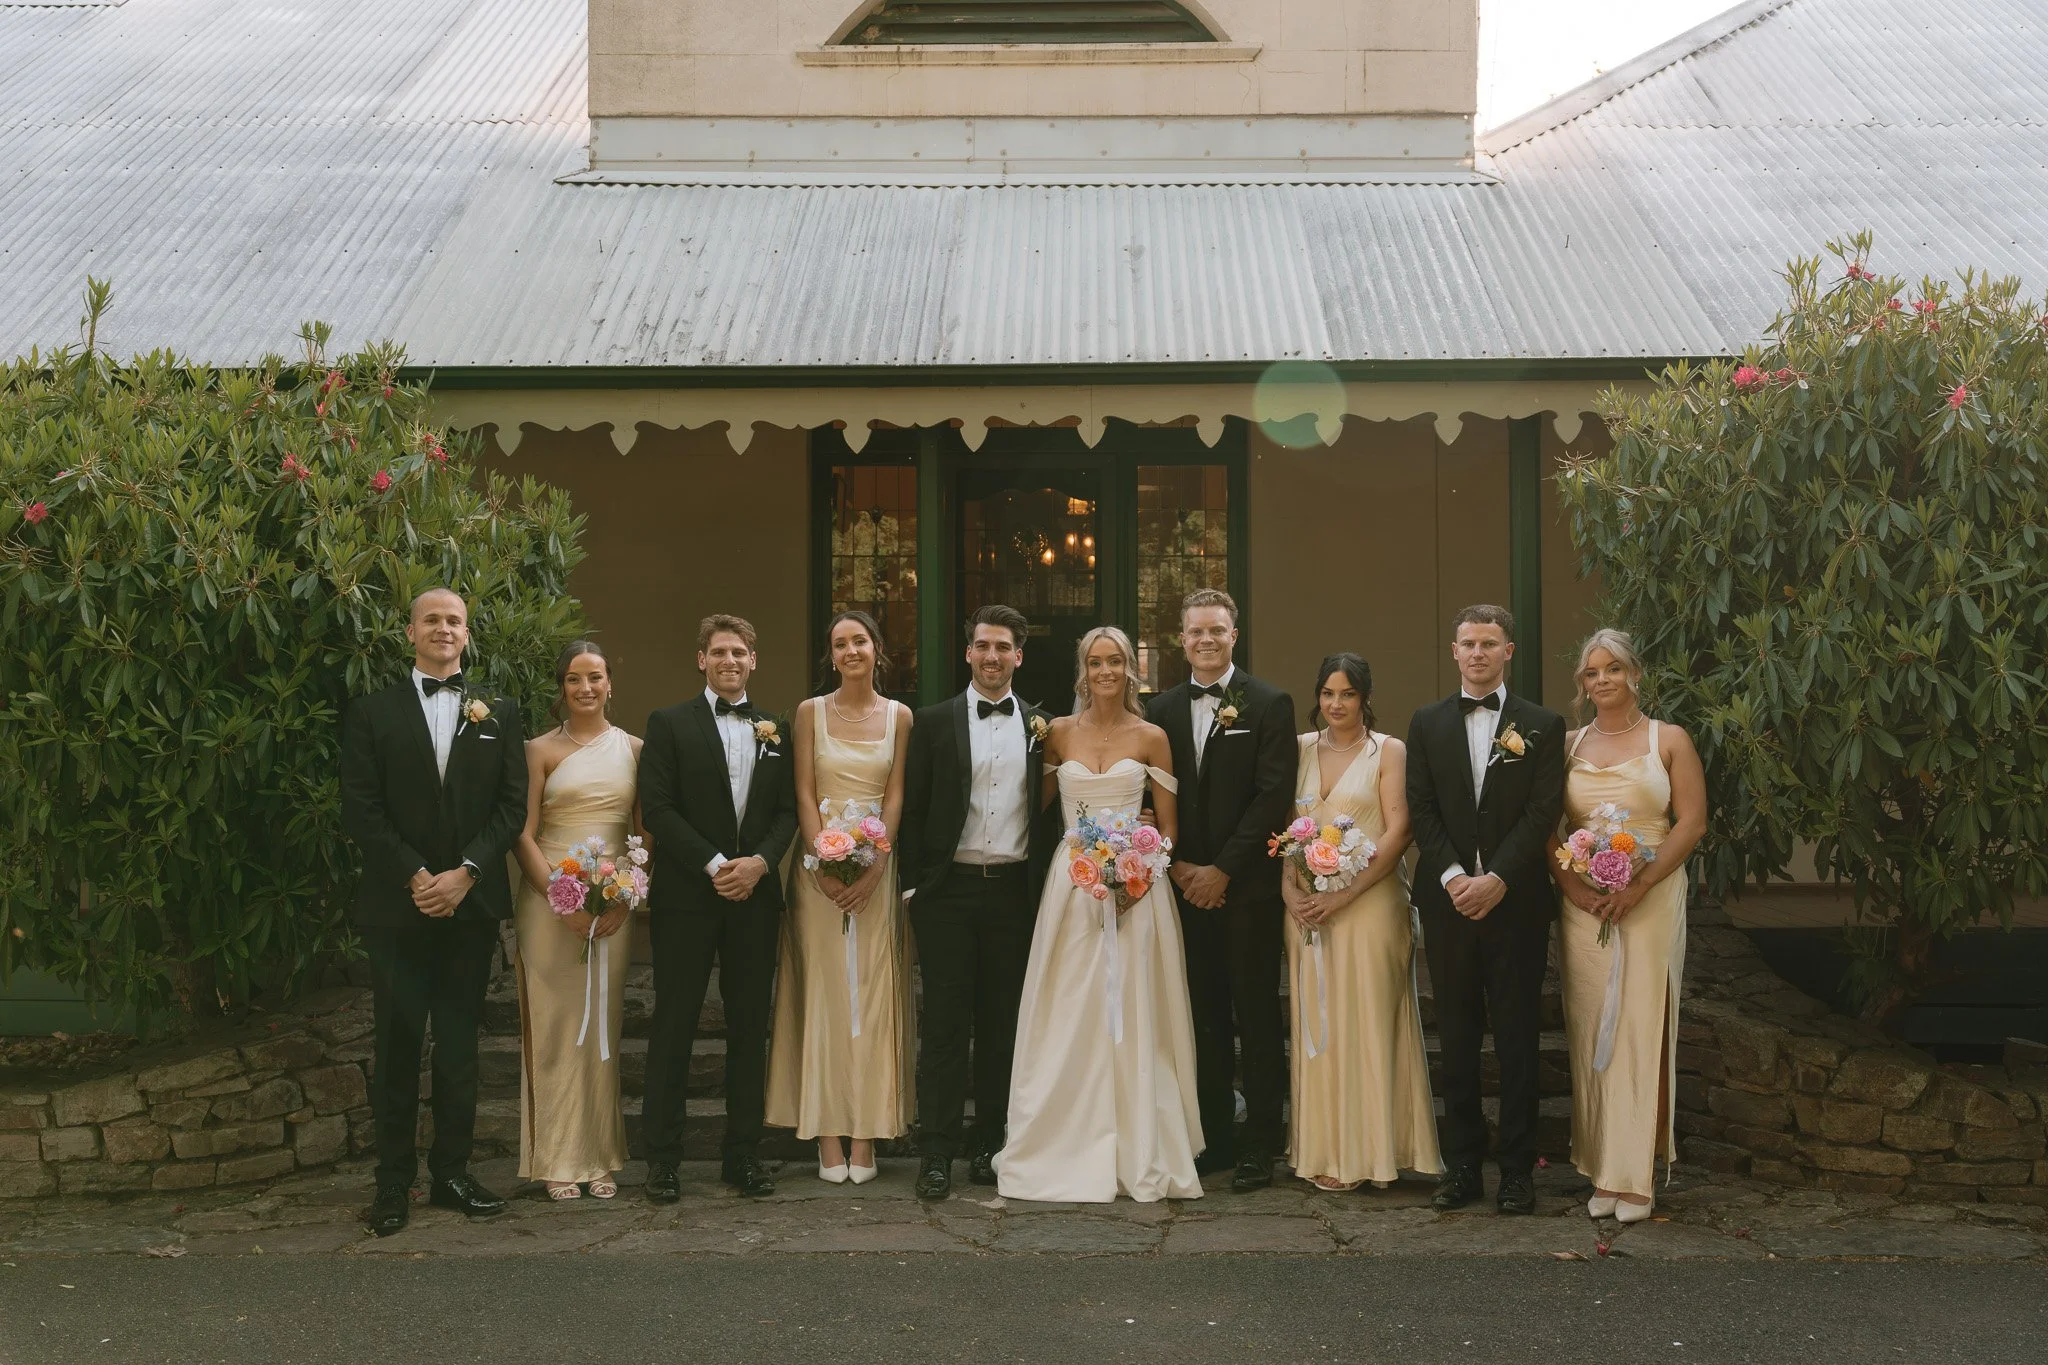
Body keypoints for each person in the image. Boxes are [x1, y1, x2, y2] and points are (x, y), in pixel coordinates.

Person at [339, 587, 528, 1237]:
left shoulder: (500, 710)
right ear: (410, 632)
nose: (443, 628)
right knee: (396, 1046)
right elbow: (361, 807)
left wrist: (466, 874)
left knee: (457, 1049)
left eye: (454, 620)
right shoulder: (372, 711)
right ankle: (392, 1182)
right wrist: (419, 875)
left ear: (467, 635)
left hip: (468, 907)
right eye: (432, 619)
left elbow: (511, 808)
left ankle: (452, 1172)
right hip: (398, 905)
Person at [996, 626, 1204, 1202]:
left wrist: (1138, 874)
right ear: (1081, 671)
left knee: (1135, 1010)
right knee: (1070, 1007)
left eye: (1115, 661)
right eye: (1095, 662)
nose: (1106, 671)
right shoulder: (1056, 734)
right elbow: (1029, 807)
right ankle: (1065, 1137)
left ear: (1130, 670)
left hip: (1139, 887)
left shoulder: (1153, 737)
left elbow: (1167, 828)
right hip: (1072, 886)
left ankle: (1138, 1142)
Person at [1406, 604, 1566, 1216]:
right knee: (1458, 1035)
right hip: (1448, 905)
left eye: (1489, 643)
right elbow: (1420, 808)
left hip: (1516, 902)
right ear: (1453, 652)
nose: (1477, 652)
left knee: (1519, 1036)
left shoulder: (1542, 725)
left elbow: (1542, 811)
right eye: (1467, 643)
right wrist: (1453, 877)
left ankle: (1518, 1171)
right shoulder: (1426, 723)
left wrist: (1498, 877)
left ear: (1509, 651)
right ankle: (1463, 1164)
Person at [638, 614, 798, 1202]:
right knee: (674, 1024)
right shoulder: (669, 723)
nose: (730, 661)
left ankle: (743, 1155)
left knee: (750, 1027)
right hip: (687, 897)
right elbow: (657, 808)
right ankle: (663, 1160)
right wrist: (714, 865)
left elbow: (788, 812)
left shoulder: (776, 730)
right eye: (719, 652)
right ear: (701, 659)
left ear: (754, 660)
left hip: (755, 899)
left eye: (740, 652)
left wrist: (758, 863)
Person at [899, 605, 1056, 1200]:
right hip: (947, 893)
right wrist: (914, 887)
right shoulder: (934, 722)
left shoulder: (1044, 727)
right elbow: (913, 807)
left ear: (1020, 655)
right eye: (983, 646)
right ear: (968, 653)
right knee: (943, 1026)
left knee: (1001, 1025)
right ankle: (935, 1151)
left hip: (1013, 892)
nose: (993, 657)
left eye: (1004, 647)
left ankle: (991, 1145)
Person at [1549, 629, 1706, 1223]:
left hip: (1653, 895)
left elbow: (1690, 822)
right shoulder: (1567, 745)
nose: (1603, 680)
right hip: (1583, 905)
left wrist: (1640, 883)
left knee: (1641, 1026)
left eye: (1613, 668)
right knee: (1592, 1029)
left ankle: (1635, 1174)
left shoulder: (1670, 740)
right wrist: (1573, 885)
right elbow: (1547, 825)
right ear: (1583, 685)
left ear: (1635, 673)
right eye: (1592, 673)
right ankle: (1600, 1164)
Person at [1145, 588, 1297, 1190]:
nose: (1206, 640)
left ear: (1234, 635)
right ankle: (1211, 1135)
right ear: (1181, 639)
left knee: (1256, 1013)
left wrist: (1223, 870)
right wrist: (1181, 866)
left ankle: (1262, 1140)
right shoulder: (1159, 710)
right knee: (1200, 1015)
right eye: (1195, 632)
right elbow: (1152, 797)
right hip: (1182, 888)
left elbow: (1272, 796)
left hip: (1247, 891)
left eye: (1217, 631)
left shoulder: (1268, 703)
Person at [1281, 654, 1443, 1191]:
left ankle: (1374, 1151)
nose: (1336, 704)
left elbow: (1399, 830)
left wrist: (1347, 891)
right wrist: (1289, 886)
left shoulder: (1388, 750)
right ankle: (1326, 1148)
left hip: (1370, 901)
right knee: (1318, 1022)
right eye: (1328, 693)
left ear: (1365, 697)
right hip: (1306, 903)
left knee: (1369, 1018)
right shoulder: (1301, 748)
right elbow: (1287, 829)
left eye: (1347, 694)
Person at [765, 611, 916, 1183]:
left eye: (860, 641)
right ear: (831, 655)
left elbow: (895, 793)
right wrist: (820, 860)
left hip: (879, 870)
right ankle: (828, 1135)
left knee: (874, 997)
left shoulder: (901, 718)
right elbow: (804, 790)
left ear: (878, 649)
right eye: (839, 643)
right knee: (825, 996)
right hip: (817, 871)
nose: (851, 650)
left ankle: (868, 1134)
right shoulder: (809, 712)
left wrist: (878, 862)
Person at [510, 640, 641, 1201]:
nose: (585, 688)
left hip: (613, 903)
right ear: (560, 687)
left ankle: (599, 1156)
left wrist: (623, 895)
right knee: (557, 1025)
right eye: (573, 679)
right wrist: (559, 898)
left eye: (595, 678)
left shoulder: (636, 747)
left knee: (601, 1029)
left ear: (611, 682)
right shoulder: (538, 750)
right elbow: (521, 831)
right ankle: (557, 1156)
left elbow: (643, 834)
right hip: (549, 902)